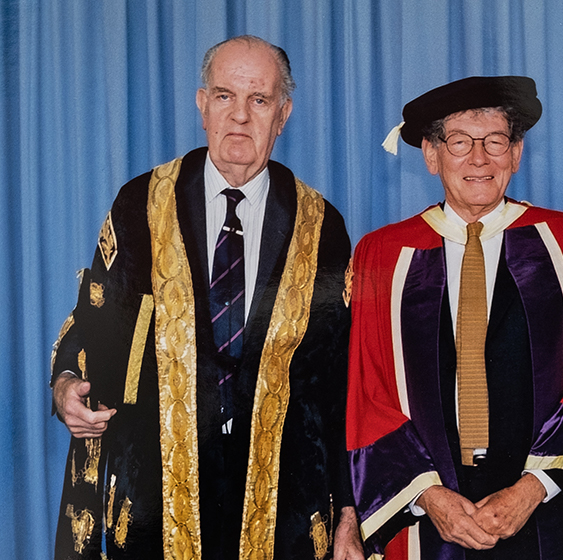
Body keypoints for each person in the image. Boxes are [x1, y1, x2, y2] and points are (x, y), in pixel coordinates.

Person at [49, 35, 362, 560]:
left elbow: (338, 380)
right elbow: (95, 321)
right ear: (201, 105)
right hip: (157, 492)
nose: (239, 115)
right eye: (224, 96)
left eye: (258, 100)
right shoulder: (141, 204)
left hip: (281, 498)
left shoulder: (321, 227)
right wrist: (64, 387)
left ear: (282, 115)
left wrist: (348, 511)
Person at [345, 76, 563, 559]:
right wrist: (429, 495)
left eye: (495, 142)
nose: (479, 159)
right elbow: (370, 391)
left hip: (542, 499)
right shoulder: (382, 256)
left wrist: (532, 487)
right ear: (431, 156)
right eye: (460, 143)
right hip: (426, 504)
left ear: (516, 153)